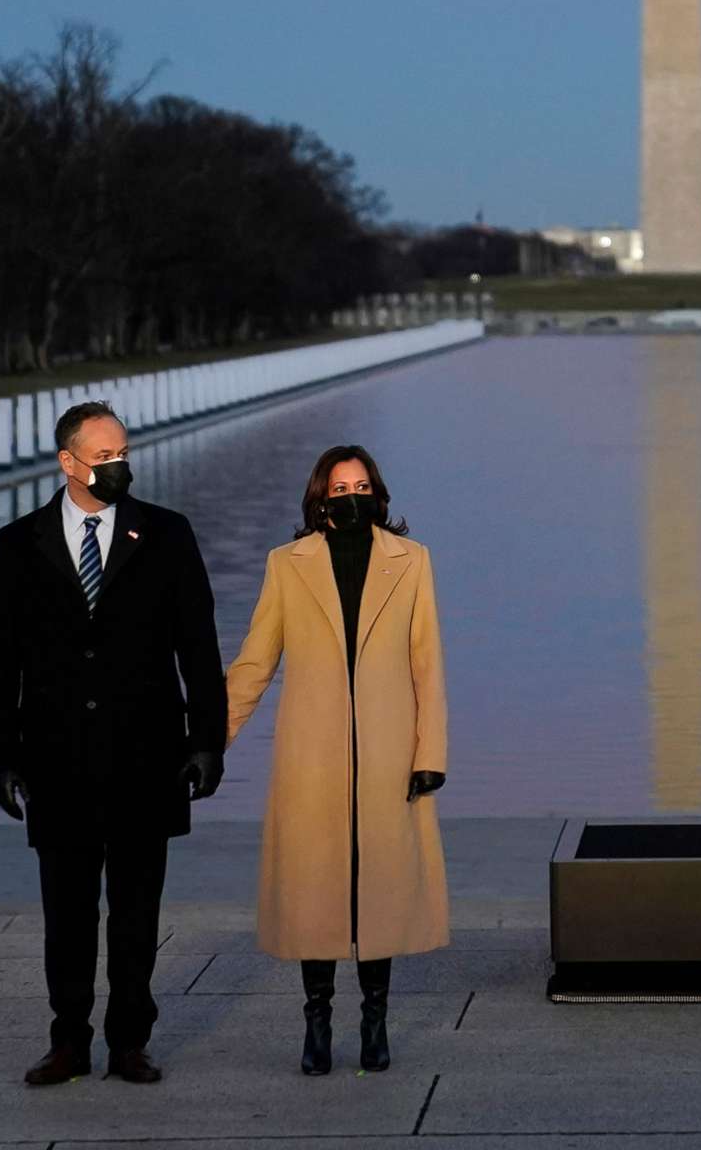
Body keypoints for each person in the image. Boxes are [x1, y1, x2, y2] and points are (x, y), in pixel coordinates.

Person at [0, 401, 227, 1086]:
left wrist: (208, 742)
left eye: (123, 453)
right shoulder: (19, 543)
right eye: (104, 456)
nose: (119, 466)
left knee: (137, 910)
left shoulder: (167, 534)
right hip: (56, 759)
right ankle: (68, 1040)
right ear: (68, 462)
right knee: (67, 912)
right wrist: (2, 756)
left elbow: (199, 647)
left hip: (147, 755)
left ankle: (129, 1041)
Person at [226, 445, 449, 1075]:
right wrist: (209, 739)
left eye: (360, 485)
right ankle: (316, 1022)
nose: (350, 495)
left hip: (388, 752)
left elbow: (426, 665)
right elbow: (255, 661)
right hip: (313, 757)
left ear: (376, 493)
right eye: (338, 486)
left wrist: (429, 751)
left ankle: (374, 1023)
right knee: (317, 894)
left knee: (378, 892)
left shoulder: (412, 562)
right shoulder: (286, 565)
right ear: (320, 498)